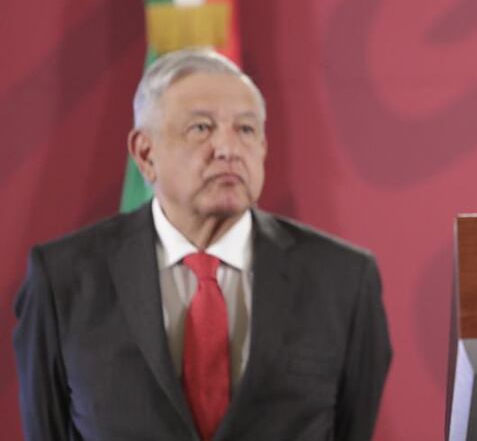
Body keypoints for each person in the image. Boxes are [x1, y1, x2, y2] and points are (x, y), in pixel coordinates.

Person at [14, 48, 391, 440]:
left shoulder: (343, 279)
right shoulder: (62, 279)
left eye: (245, 130)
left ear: (263, 147)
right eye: (201, 128)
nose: (228, 149)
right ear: (145, 153)